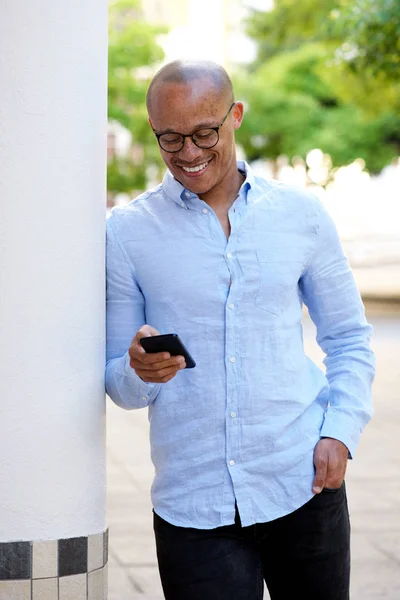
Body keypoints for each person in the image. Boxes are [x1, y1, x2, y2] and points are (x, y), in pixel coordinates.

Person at [105, 60, 375, 600]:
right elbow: (117, 380)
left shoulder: (301, 215)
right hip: (192, 501)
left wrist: (340, 431)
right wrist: (141, 371)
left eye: (205, 133)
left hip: (301, 482)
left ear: (236, 116)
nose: (188, 153)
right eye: (170, 139)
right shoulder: (128, 233)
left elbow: (347, 336)